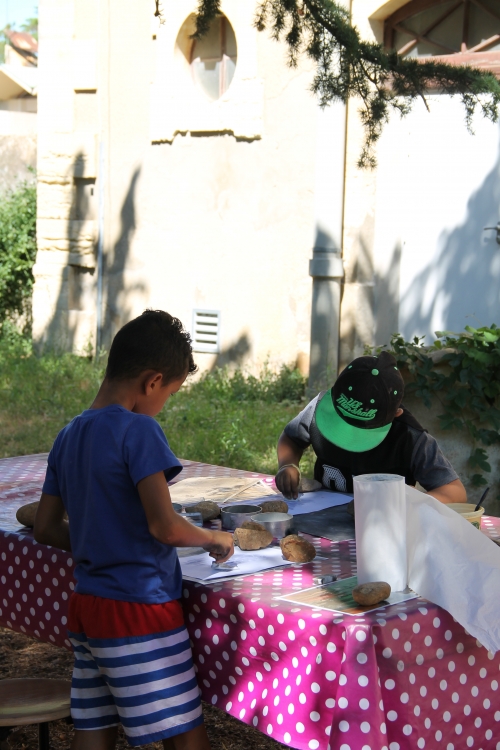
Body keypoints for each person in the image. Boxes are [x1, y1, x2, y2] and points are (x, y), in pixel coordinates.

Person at [34, 310, 234, 750]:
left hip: (88, 608)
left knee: (94, 727)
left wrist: (98, 537)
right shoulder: (139, 430)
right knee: (184, 733)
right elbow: (165, 527)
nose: (164, 404)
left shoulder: (68, 436)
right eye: (170, 393)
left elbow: (45, 526)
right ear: (152, 382)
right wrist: (215, 538)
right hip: (140, 610)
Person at [275, 351, 466, 504]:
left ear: (396, 414)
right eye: (341, 424)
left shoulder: (410, 438)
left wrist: (403, 503)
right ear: (333, 396)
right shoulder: (318, 410)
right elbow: (291, 438)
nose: (349, 437)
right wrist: (287, 464)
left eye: (361, 432)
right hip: (322, 519)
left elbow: (454, 492)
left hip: (384, 534)